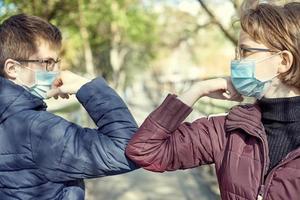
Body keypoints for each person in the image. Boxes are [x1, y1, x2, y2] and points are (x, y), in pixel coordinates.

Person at [126, 1, 300, 200]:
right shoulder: (229, 129)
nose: (236, 61)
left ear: (284, 61)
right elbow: (144, 150)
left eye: (245, 52)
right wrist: (197, 90)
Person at [0, 14, 138, 199]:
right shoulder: (38, 130)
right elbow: (130, 148)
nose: (56, 71)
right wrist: (86, 87)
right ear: (12, 69)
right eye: (47, 62)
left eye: (56, 62)